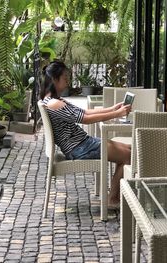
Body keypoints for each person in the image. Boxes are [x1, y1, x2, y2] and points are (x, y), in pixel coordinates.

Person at [40, 60, 131, 207]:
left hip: (83, 144)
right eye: (65, 78)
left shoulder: (52, 101)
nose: (67, 82)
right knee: (128, 155)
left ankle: (114, 196)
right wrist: (116, 114)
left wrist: (113, 109)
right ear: (54, 80)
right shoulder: (54, 104)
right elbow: (86, 119)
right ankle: (113, 199)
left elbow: (86, 112)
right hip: (79, 148)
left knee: (129, 150)